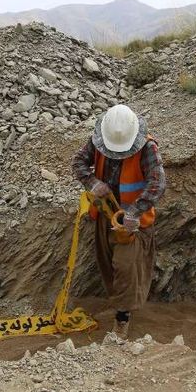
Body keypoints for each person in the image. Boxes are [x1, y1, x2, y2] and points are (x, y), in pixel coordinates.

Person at [71, 104, 166, 339]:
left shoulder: (147, 148)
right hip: (104, 214)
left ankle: (122, 318)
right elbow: (78, 163)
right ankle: (118, 304)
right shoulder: (100, 139)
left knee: (125, 267)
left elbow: (158, 183)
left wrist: (134, 212)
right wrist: (93, 183)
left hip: (132, 222)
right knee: (108, 266)